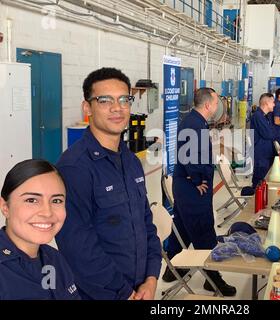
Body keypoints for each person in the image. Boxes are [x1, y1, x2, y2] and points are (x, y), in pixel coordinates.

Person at [55, 67, 161, 300]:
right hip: (101, 294)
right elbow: (77, 247)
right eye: (105, 100)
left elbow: (146, 223)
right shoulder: (75, 167)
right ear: (87, 108)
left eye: (124, 99)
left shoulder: (131, 161)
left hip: (142, 289)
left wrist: (152, 278)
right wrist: (124, 292)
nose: (117, 108)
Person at [162, 88, 236, 296]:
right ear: (207, 105)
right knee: (204, 230)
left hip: (186, 186)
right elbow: (189, 156)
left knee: (183, 227)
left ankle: (172, 270)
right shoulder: (194, 124)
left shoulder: (195, 121)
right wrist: (198, 180)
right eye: (216, 102)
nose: (217, 106)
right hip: (192, 187)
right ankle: (212, 280)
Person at [0, 159, 80, 300]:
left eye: (56, 201)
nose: (47, 212)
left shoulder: (55, 259)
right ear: (5, 207)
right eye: (31, 200)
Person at [250, 93, 277, 188]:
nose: (274, 104)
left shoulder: (265, 116)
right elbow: (269, 134)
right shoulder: (258, 116)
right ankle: (254, 201)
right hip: (261, 155)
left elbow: (272, 132)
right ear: (266, 103)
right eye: (273, 102)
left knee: (264, 181)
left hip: (266, 153)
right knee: (259, 183)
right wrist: (273, 133)